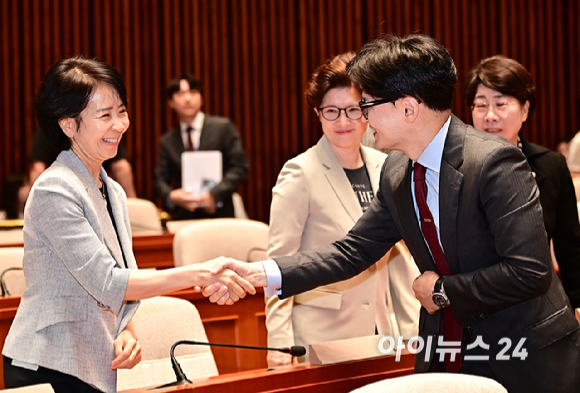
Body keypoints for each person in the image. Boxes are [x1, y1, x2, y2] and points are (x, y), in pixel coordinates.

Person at [208, 35, 580, 393]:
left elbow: (529, 272)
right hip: (447, 347)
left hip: (521, 353)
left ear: (408, 108)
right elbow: (352, 250)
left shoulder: (494, 162)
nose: (363, 118)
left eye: (367, 104)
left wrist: (441, 290)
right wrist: (260, 273)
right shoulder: (397, 170)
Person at [1, 56, 254, 393]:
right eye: (105, 115)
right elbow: (108, 281)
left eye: (121, 111)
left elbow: (124, 279)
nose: (120, 124)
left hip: (93, 359)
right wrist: (198, 274)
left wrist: (127, 329)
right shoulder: (54, 189)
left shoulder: (114, 190)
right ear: (68, 125)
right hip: (48, 362)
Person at [266, 52, 420, 366]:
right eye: (331, 111)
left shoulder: (386, 166)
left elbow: (402, 259)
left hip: (382, 330)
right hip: (323, 335)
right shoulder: (300, 172)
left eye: (353, 110)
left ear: (367, 112)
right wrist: (280, 345)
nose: (343, 122)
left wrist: (412, 329)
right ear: (317, 113)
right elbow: (279, 265)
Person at [464, 55, 580, 318]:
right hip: (475, 310)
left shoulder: (551, 166)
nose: (490, 116)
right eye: (480, 105)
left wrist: (578, 301)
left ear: (526, 109)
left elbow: (570, 248)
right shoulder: (454, 169)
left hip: (537, 311)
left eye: (501, 104)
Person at [154, 73, 249, 220]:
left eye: (193, 92)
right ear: (171, 102)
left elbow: (240, 167)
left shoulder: (223, 128)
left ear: (201, 97)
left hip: (221, 214)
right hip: (184, 217)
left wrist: (215, 194)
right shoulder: (167, 140)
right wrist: (171, 195)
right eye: (180, 94)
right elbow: (159, 179)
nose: (187, 99)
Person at [29, 126, 137, 198]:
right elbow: (38, 168)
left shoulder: (102, 129)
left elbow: (122, 166)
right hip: (57, 189)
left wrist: (132, 203)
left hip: (98, 187)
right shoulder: (49, 130)